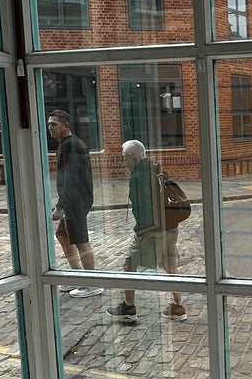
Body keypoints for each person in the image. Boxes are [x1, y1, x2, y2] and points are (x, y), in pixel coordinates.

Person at [112, 140, 188, 324]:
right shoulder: (155, 168)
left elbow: (145, 207)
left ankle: (128, 308)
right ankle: (178, 308)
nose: (123, 162)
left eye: (124, 158)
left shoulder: (138, 177)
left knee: (129, 264)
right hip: (170, 227)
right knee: (171, 266)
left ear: (131, 157)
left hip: (153, 231)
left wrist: (142, 231)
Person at [47, 110, 101, 296]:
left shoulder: (71, 145)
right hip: (74, 200)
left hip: (75, 201)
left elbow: (70, 178)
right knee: (63, 236)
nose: (50, 128)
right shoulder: (67, 144)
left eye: (54, 124)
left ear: (65, 126)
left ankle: (92, 283)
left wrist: (61, 206)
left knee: (81, 241)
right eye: (49, 124)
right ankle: (77, 276)